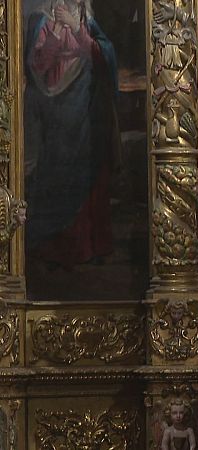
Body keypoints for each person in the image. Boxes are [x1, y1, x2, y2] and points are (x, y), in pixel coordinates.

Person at [23, 0, 119, 268]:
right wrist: (56, 30)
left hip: (85, 107)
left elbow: (102, 57)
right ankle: (55, 246)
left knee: (87, 172)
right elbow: (38, 65)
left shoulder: (87, 20)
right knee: (57, 174)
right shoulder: (41, 20)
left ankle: (88, 246)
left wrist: (76, 27)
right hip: (55, 113)